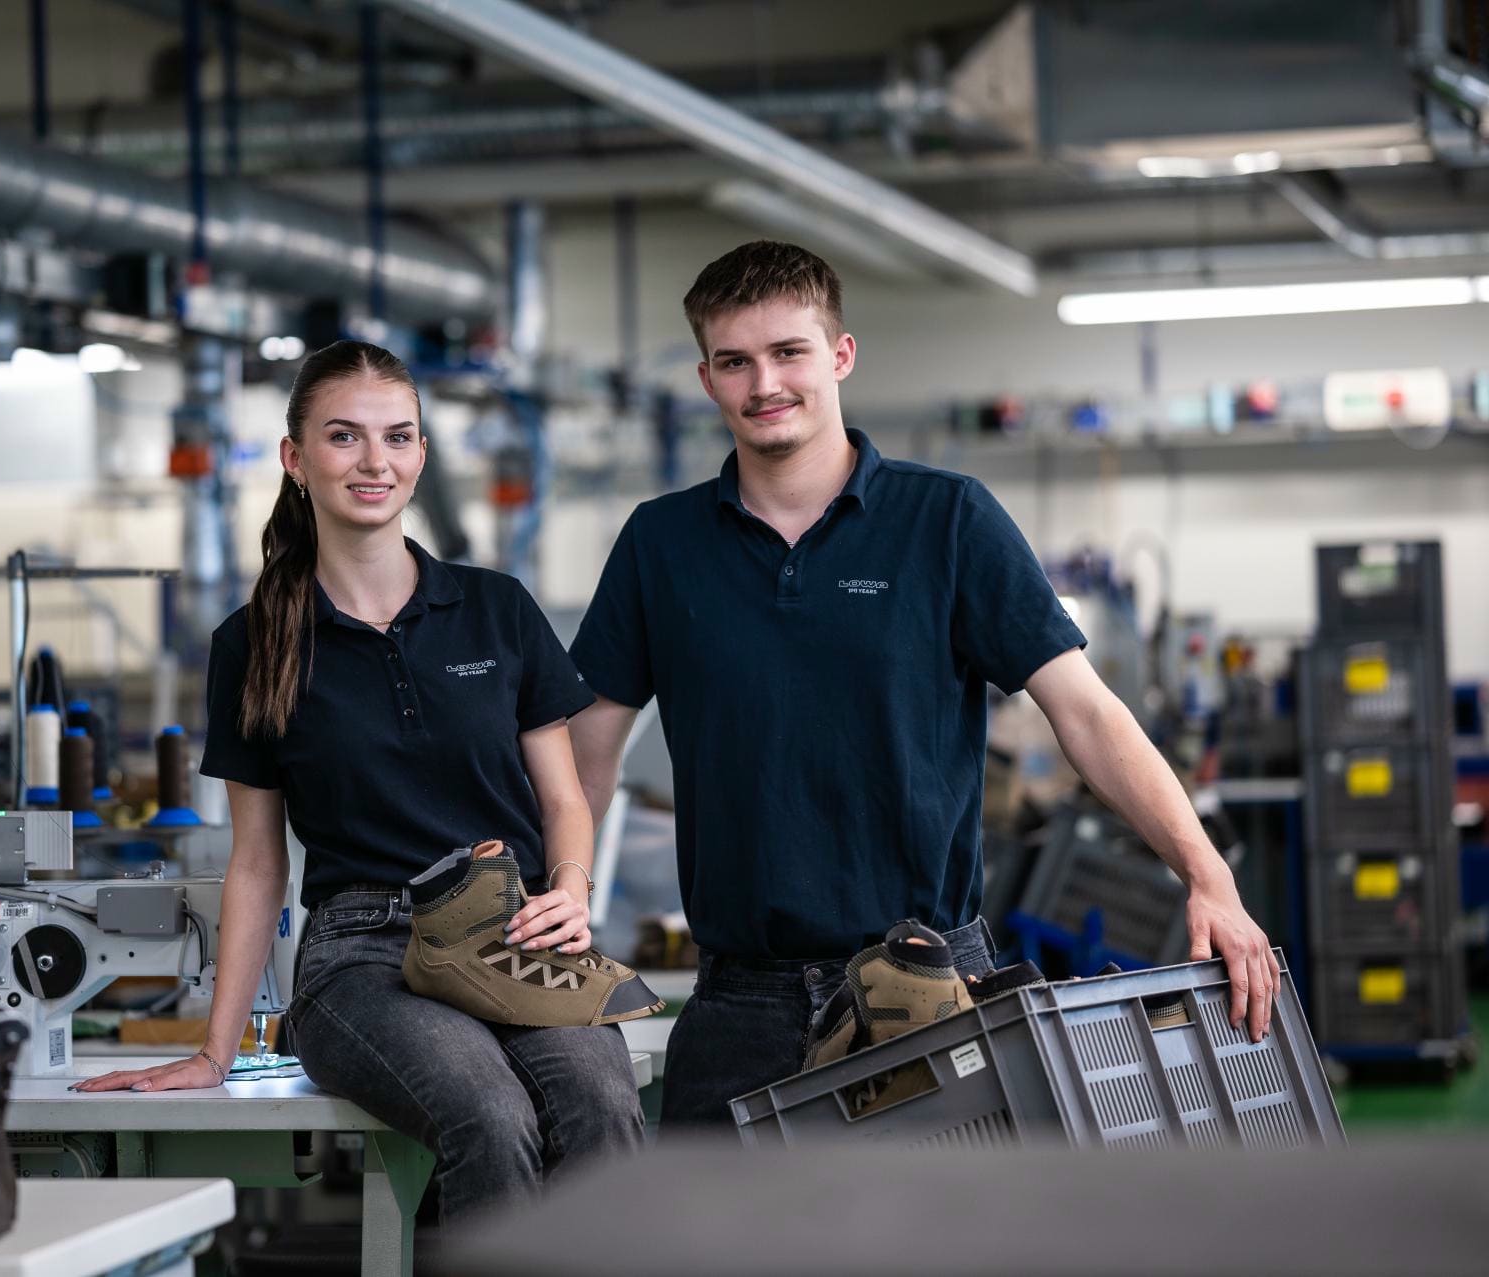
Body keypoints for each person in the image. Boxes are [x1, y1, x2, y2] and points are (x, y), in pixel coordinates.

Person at [565, 241, 1280, 1127]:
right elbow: (585, 757)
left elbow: (1087, 714)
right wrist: (560, 892)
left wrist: (1207, 874)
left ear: (840, 355)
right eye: (735, 361)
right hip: (739, 1007)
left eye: (788, 352)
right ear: (707, 379)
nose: (765, 384)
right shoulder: (660, 545)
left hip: (929, 990)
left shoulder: (948, 521)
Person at [76, 341, 643, 1220]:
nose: (375, 461)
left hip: (513, 932)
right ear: (295, 459)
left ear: (420, 454)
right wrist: (216, 1050)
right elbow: (258, 863)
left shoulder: (496, 608)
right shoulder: (254, 642)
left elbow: (564, 798)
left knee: (602, 1103)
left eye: (398, 437)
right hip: (362, 956)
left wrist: (570, 890)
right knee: (489, 1113)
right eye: (344, 436)